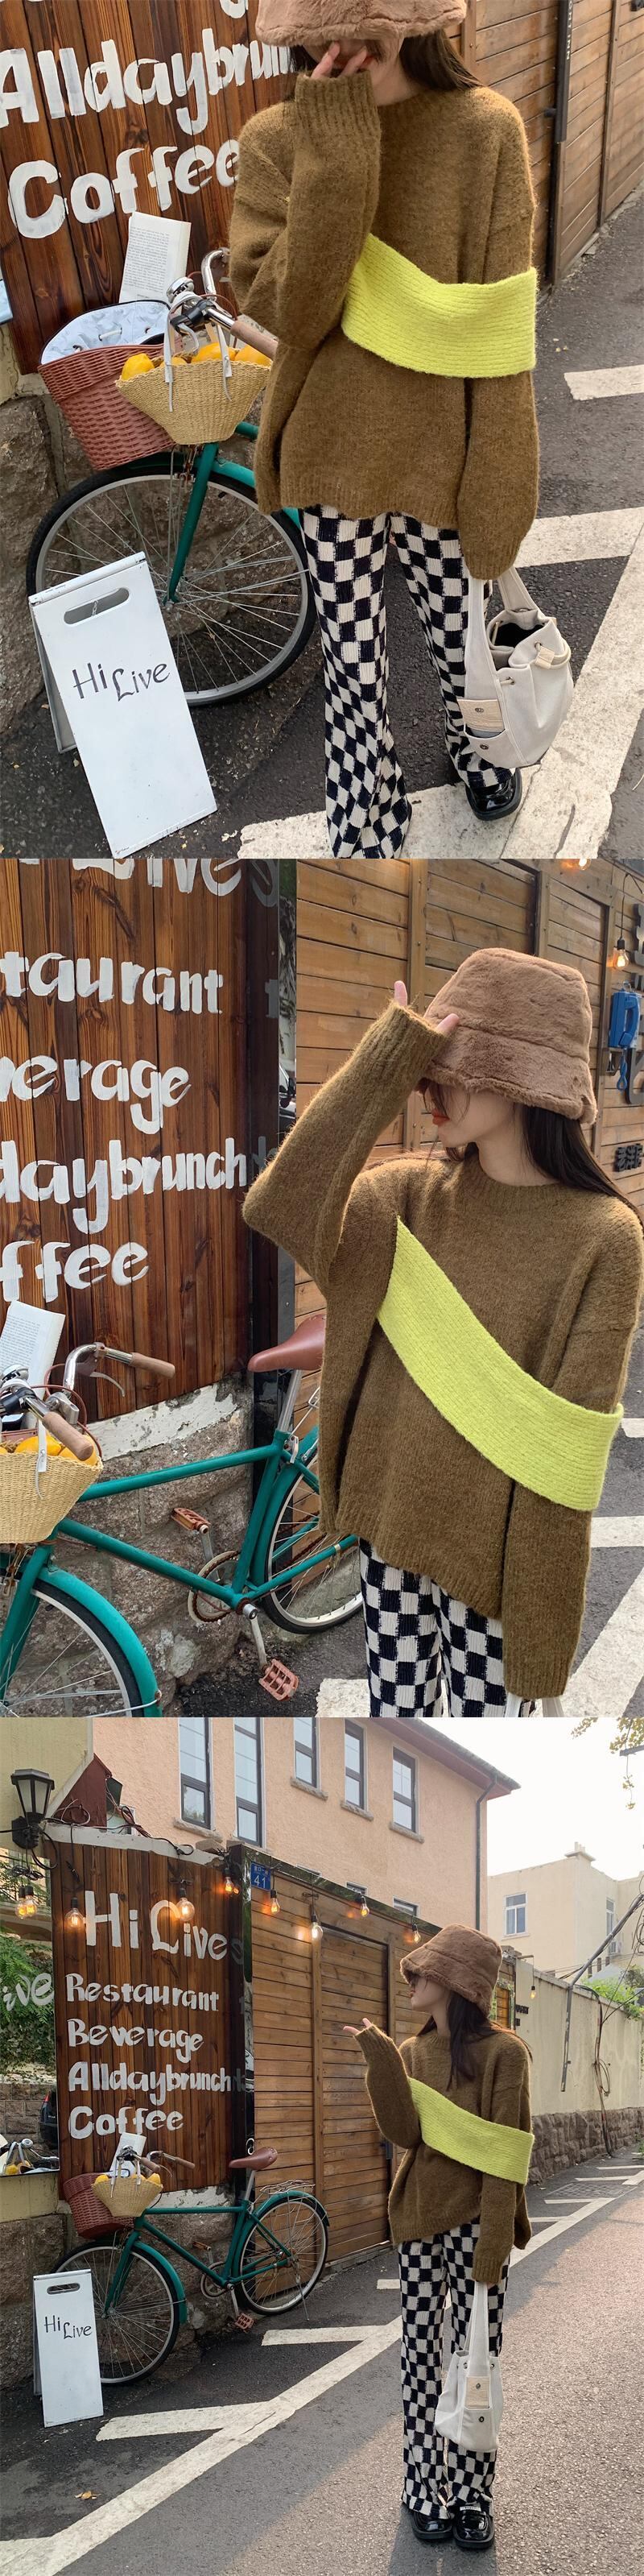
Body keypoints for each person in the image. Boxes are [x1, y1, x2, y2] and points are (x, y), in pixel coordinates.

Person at [242, 947, 644, 1717]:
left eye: (450, 1065)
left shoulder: (604, 1237)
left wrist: (540, 1631)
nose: (429, 1083)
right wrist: (386, 1060)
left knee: (485, 1754)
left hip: (495, 1576)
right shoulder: (403, 1198)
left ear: (519, 1079)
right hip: (385, 1540)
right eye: (425, 1064)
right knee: (400, 1734)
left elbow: (564, 1460)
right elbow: (280, 1206)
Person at [229, 3, 540, 856]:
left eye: (367, 14)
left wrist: (501, 462)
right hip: (329, 451)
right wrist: (335, 147)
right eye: (323, 20)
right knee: (351, 662)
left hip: (444, 448)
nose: (344, 40)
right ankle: (364, 806)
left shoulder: (484, 130)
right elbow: (293, 311)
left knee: (460, 637)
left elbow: (500, 328)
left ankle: (481, 750)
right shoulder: (276, 139)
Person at [344, 1924, 533, 2549]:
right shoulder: (412, 2051)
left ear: (455, 1980)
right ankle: (423, 2486)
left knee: (477, 2361)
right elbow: (404, 2134)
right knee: (420, 2358)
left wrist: (495, 2240)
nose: (413, 1979)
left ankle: (474, 2496)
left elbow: (506, 2154)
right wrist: (380, 2058)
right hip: (419, 2221)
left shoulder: (506, 2054)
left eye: (424, 1971)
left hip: (479, 2224)